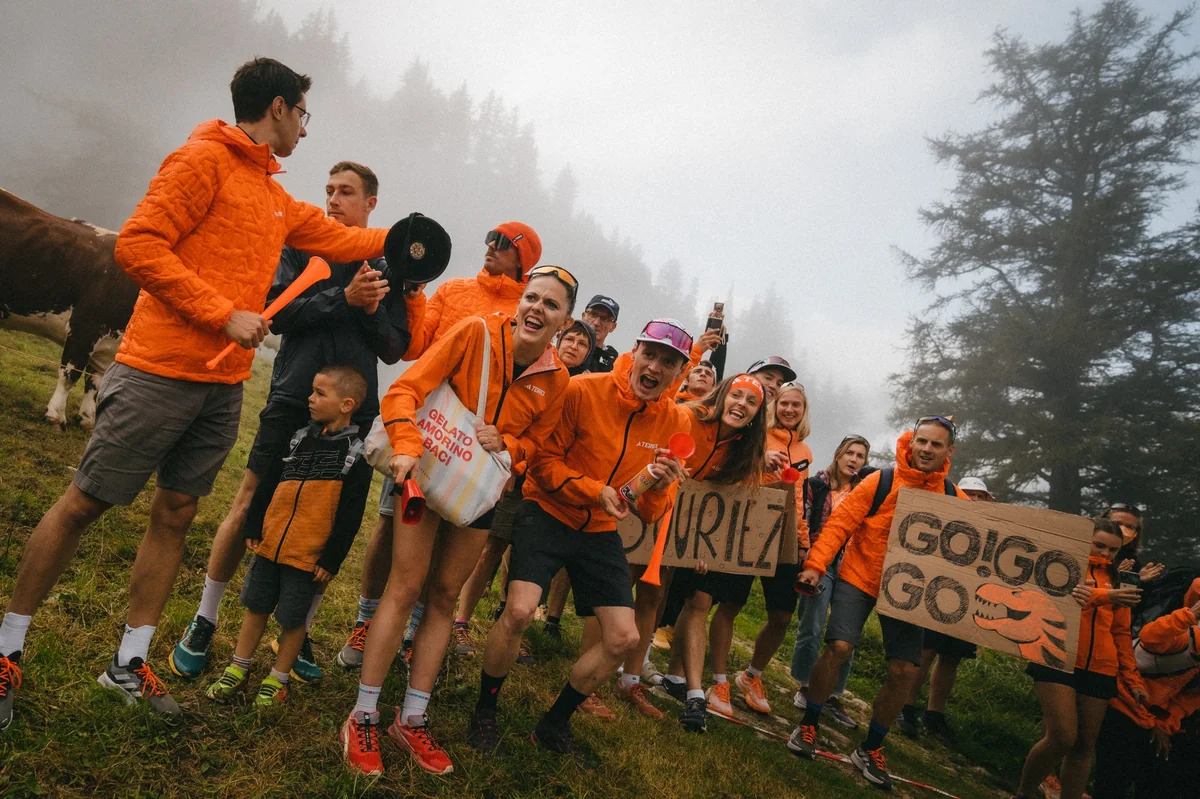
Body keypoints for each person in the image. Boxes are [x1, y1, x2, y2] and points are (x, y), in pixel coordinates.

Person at [0, 57, 392, 725]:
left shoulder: (271, 191)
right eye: (302, 112)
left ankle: (128, 660)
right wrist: (221, 313)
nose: (304, 126)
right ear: (277, 108)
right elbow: (139, 246)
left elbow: (338, 236)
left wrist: (406, 242)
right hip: (158, 367)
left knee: (177, 511)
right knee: (84, 502)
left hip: (222, 385)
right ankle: (7, 647)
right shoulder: (200, 160)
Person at [170, 160, 408, 682]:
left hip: (354, 414)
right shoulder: (300, 244)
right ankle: (204, 619)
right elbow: (276, 313)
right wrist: (343, 299)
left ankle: (293, 635)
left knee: (326, 520)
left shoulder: (387, 265)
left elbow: (396, 348)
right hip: (294, 395)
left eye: (346, 192)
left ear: (371, 204)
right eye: (329, 191)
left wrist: (370, 309)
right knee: (250, 499)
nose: (333, 200)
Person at [340, 266, 575, 777]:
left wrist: (510, 444)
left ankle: (413, 718)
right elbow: (406, 389)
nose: (537, 308)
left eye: (551, 305)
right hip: (424, 468)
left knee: (445, 595)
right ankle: (363, 714)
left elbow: (540, 445)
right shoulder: (476, 331)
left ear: (566, 320)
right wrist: (404, 445)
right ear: (520, 301)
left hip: (481, 493)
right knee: (404, 587)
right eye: (532, 297)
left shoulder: (558, 379)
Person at [465, 319, 694, 761]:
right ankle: (485, 711)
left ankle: (553, 726)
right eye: (650, 354)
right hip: (548, 511)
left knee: (624, 637)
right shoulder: (582, 389)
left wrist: (661, 484)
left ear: (678, 372)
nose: (655, 367)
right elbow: (543, 464)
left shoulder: (674, 419)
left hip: (600, 530)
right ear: (635, 351)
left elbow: (648, 511)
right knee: (518, 610)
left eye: (669, 362)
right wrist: (594, 491)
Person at [335, 222, 541, 671]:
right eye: (489, 237)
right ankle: (367, 621)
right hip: (427, 433)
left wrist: (507, 445)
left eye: (504, 244)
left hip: (475, 458)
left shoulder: (527, 313)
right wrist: (413, 295)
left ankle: (414, 637)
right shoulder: (455, 290)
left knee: (448, 556)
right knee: (390, 528)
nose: (490, 246)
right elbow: (414, 348)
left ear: (525, 261)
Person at [788, 417, 968, 789]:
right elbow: (839, 524)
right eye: (922, 441)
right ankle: (808, 724)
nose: (926, 449)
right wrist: (815, 566)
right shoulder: (881, 479)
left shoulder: (953, 497)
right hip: (860, 573)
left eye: (936, 445)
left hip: (911, 590)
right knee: (839, 646)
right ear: (911, 440)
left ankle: (871, 747)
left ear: (949, 452)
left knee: (904, 670)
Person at [205, 366, 371, 706]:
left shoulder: (356, 456)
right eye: (312, 391)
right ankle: (238, 667)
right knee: (256, 607)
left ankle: (278, 679)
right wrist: (253, 527)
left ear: (347, 405)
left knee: (294, 621)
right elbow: (267, 486)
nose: (310, 399)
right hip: (270, 546)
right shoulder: (297, 438)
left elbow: (350, 515)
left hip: (307, 557)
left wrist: (331, 559)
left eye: (320, 394)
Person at [655, 375, 769, 731]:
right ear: (722, 396)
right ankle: (631, 668)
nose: (741, 405)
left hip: (696, 531)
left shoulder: (748, 449)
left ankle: (692, 693)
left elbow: (732, 502)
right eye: (736, 396)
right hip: (658, 512)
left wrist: (708, 544)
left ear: (757, 415)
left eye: (751, 403)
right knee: (651, 593)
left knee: (700, 600)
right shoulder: (688, 416)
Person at [1012, 519, 1147, 799]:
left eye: (1113, 549)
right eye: (1099, 545)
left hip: (1102, 666)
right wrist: (1108, 595)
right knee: (1062, 735)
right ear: (1084, 540)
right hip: (1056, 655)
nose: (1106, 553)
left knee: (1085, 745)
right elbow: (1069, 598)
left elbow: (1121, 633)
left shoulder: (1118, 578)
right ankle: (1023, 793)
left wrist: (1132, 679)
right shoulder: (1065, 565)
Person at [725, 381, 813, 717]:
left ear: (804, 411)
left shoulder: (805, 451)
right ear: (775, 407)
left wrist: (803, 542)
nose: (790, 410)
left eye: (797, 406)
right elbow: (738, 475)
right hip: (751, 527)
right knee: (732, 603)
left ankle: (752, 676)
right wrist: (761, 461)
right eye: (785, 404)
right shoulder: (757, 436)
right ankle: (718, 678)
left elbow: (800, 501)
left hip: (786, 535)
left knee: (781, 615)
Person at [897, 475, 992, 741]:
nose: (974, 499)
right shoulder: (944, 516)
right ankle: (906, 707)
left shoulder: (993, 527)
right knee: (925, 651)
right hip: (937, 591)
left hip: (969, 598)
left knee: (952, 658)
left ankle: (934, 714)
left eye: (980, 495)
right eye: (969, 493)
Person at [1092, 577, 1200, 799]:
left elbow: (1188, 700)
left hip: (1150, 716)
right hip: (1121, 701)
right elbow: (1149, 636)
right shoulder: (1184, 636)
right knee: (1114, 777)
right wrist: (1189, 615)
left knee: (1152, 777)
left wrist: (1163, 723)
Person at [791, 434, 870, 729]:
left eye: (860, 456)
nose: (854, 460)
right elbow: (806, 520)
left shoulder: (867, 492)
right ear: (838, 454)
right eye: (850, 453)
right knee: (811, 626)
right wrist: (808, 559)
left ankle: (833, 694)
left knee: (844, 635)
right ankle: (806, 685)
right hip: (821, 563)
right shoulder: (817, 485)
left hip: (852, 567)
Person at [1100, 503, 1165, 586]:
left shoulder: (1132, 562)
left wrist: (1138, 580)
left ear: (1135, 534)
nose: (1121, 529)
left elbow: (1133, 597)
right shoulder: (1085, 550)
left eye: (1129, 527)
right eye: (1116, 523)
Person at [580, 295, 620, 373]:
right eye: (593, 314)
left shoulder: (614, 365)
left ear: (613, 327)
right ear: (583, 316)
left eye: (604, 318)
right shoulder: (566, 346)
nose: (596, 322)